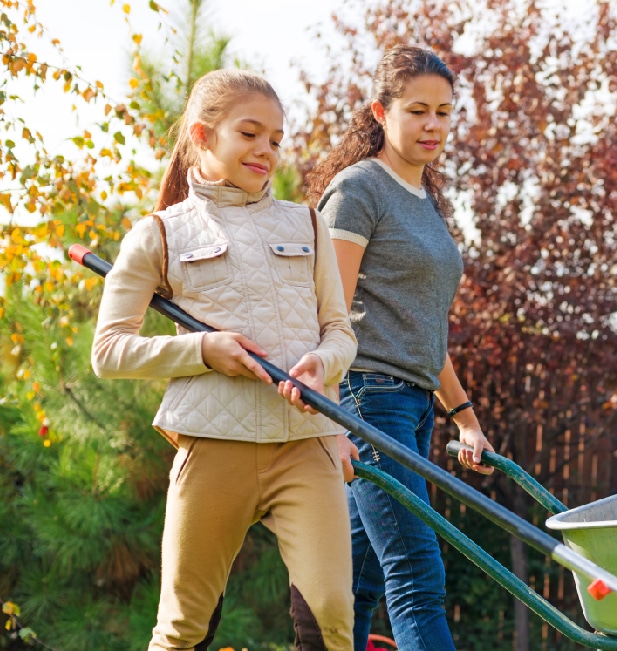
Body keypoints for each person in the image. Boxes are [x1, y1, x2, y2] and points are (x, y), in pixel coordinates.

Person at [91, 69, 359, 650]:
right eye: (250, 133)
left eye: (276, 139)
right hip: (213, 444)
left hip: (303, 442)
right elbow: (109, 353)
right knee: (183, 626)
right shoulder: (159, 234)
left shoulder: (307, 223)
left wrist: (322, 363)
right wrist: (204, 350)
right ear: (204, 136)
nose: (266, 150)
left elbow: (340, 330)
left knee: (334, 618)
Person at [304, 45, 495, 651]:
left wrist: (462, 415)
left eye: (444, 112)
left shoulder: (424, 202)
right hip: (364, 393)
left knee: (357, 577)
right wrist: (330, 418)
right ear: (381, 113)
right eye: (417, 111)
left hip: (412, 405)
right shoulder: (360, 190)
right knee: (417, 571)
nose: (433, 125)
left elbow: (423, 330)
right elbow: (325, 311)